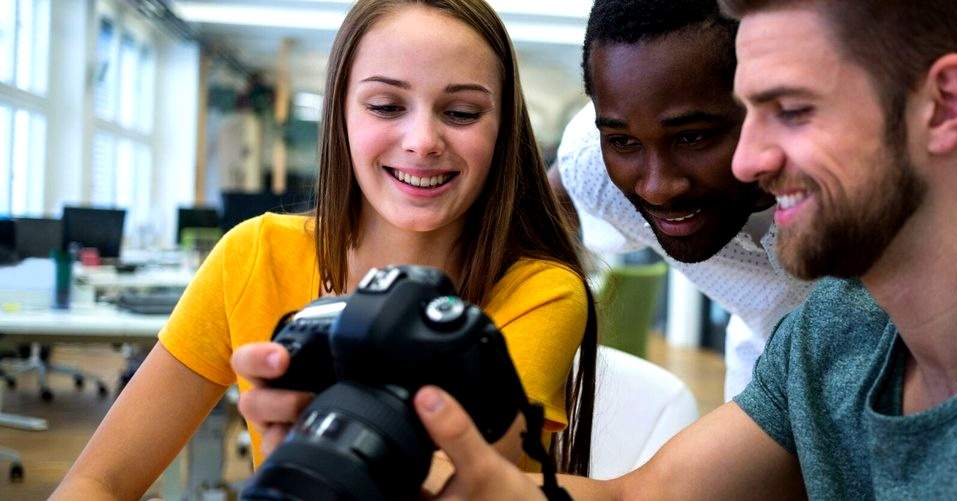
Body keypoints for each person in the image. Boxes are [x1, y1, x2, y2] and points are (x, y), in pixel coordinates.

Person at [409, 0, 957, 498]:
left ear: (948, 105)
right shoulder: (839, 329)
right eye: (746, 111)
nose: (747, 162)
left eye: (790, 111)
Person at [52, 0, 596, 497]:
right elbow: (99, 479)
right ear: (340, 113)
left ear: (503, 130)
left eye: (461, 113)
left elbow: (470, 488)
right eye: (385, 105)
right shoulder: (255, 255)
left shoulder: (538, 291)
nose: (423, 141)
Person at [552, 0, 957, 401]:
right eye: (626, 142)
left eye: (794, 111)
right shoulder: (598, 162)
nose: (658, 183)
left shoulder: (950, 117)